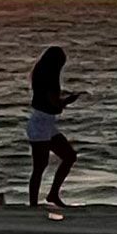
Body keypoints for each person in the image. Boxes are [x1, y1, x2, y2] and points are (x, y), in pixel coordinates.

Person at [26, 46, 80, 207]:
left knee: (69, 156)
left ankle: (53, 194)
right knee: (39, 167)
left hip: (46, 124)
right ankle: (33, 204)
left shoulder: (40, 75)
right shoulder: (50, 79)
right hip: (41, 125)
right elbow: (55, 105)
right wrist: (66, 102)